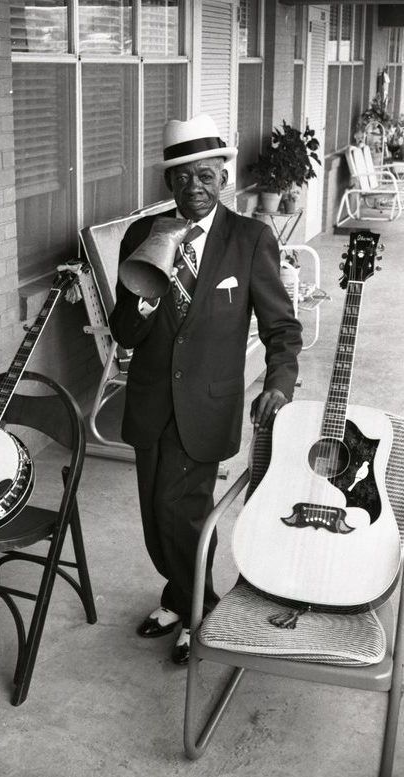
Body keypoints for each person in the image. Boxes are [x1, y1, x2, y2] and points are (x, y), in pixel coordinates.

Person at [109, 114, 302, 665]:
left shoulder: (249, 238)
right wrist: (148, 289)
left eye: (206, 176)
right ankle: (178, 595)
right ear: (169, 183)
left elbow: (281, 328)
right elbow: (126, 330)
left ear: (223, 177)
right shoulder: (142, 236)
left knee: (185, 512)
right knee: (154, 514)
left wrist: (280, 384)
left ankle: (201, 611)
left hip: (208, 405)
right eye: (183, 177)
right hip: (150, 399)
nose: (195, 187)